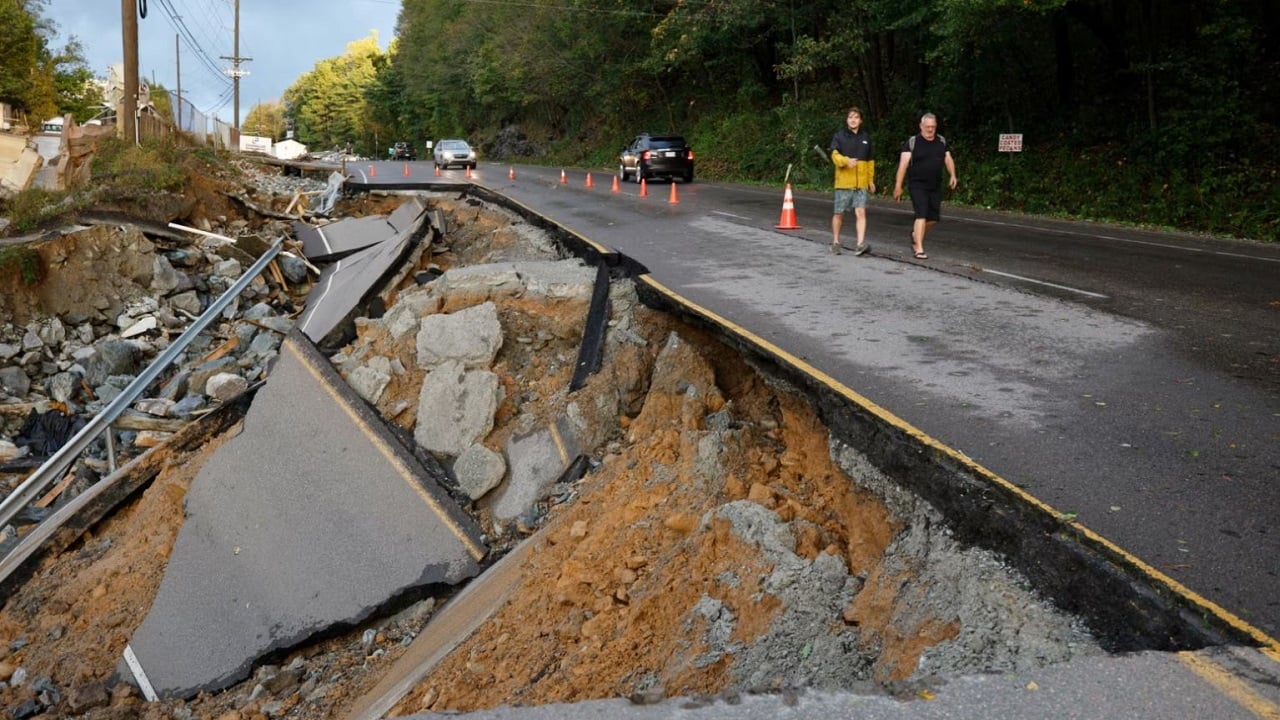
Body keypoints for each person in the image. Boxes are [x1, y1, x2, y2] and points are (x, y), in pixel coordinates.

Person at [893, 113, 957, 260]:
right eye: (927, 127)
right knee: (921, 214)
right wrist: (898, 186)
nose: (930, 130)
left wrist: (953, 175)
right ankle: (919, 248)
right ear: (921, 126)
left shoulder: (941, 141)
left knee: (933, 218)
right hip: (917, 184)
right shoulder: (912, 142)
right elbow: (902, 165)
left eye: (933, 127)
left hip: (935, 185)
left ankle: (916, 234)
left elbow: (948, 159)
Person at [829, 107, 876, 256]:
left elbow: (870, 162)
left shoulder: (866, 138)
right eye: (850, 117)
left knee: (861, 212)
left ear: (861, 120)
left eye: (856, 117)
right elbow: (834, 155)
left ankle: (860, 244)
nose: (853, 120)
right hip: (843, 183)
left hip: (860, 183)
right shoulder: (839, 136)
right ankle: (836, 242)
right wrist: (845, 161)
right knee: (839, 214)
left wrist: (870, 180)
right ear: (846, 120)